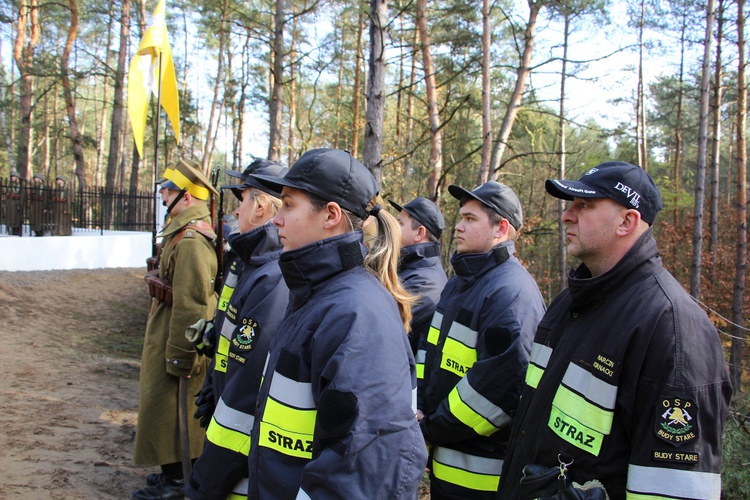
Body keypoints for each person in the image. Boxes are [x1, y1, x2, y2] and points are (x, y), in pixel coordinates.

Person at [498, 162, 732, 499]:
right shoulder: (569, 304)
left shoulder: (673, 330)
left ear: (627, 222)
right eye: (570, 204)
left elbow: (673, 489)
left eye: (585, 205)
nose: (567, 215)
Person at [246, 148, 427, 499]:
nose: (277, 219)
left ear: (330, 215)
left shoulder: (356, 313)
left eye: (288, 205)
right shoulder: (315, 295)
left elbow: (361, 474)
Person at [418, 181, 546, 499]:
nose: (458, 226)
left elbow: (500, 388)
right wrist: (419, 410)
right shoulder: (459, 284)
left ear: (501, 227)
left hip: (483, 479)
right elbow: (430, 356)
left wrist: (430, 430)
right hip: (446, 467)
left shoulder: (511, 292)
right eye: (460, 217)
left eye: (470, 219)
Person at [186, 161, 290, 500]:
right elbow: (229, 338)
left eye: (242, 198)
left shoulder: (272, 278)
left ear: (260, 206)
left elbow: (248, 391)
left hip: (240, 461)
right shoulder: (248, 260)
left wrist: (207, 479)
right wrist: (213, 387)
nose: (235, 208)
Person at [133, 159, 219, 500]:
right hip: (166, 329)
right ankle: (171, 471)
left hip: (177, 335)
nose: (163, 194)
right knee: (162, 408)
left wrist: (182, 355)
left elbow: (194, 305)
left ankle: (179, 481)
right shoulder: (180, 232)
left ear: (185, 197)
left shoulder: (192, 240)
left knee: (173, 409)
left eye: (168, 190)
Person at [387, 196, 447, 359]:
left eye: (400, 223)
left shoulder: (425, 284)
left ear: (420, 233)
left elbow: (382, 331)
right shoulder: (412, 268)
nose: (394, 228)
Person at [4, 169, 23, 235]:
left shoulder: (20, 186)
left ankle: (17, 231)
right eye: (12, 177)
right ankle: (10, 230)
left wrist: (20, 203)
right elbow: (6, 194)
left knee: (17, 219)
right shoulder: (9, 186)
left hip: (17, 204)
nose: (13, 178)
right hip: (10, 204)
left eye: (14, 177)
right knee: (11, 219)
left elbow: (22, 195)